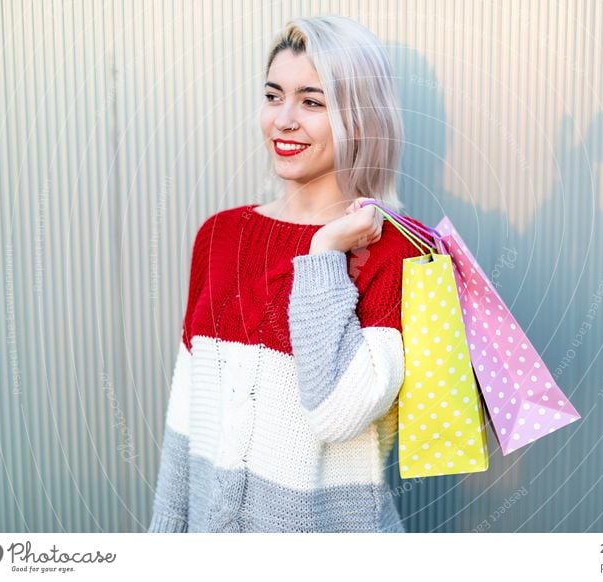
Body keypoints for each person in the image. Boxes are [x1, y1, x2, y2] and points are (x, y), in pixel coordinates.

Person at [148, 15, 425, 533]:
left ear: (361, 120)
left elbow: (336, 413)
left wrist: (324, 252)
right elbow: (186, 422)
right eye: (274, 96)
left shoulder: (396, 251)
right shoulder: (219, 236)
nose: (283, 119)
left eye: (312, 102)